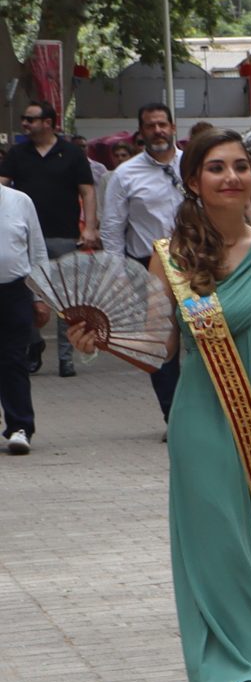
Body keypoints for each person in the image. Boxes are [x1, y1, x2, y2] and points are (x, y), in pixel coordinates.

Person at [70, 129, 251, 682]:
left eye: (241, 166)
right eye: (216, 168)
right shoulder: (170, 258)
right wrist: (101, 341)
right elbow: (159, 348)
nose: (231, 177)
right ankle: (248, 675)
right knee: (219, 544)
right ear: (193, 182)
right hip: (205, 417)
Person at [98, 102, 189, 417]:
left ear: (173, 127)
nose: (158, 131)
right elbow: (112, 228)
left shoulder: (193, 165)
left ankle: (205, 413)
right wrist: (117, 275)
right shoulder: (125, 174)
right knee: (160, 343)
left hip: (194, 262)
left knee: (206, 336)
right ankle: (173, 416)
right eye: (151, 126)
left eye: (162, 124)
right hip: (148, 266)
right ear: (141, 132)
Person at [3, 99, 97, 378]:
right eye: (24, 118)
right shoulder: (17, 154)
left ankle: (66, 359)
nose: (24, 123)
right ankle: (33, 344)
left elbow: (87, 191)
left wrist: (90, 228)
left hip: (64, 236)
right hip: (27, 242)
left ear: (48, 123)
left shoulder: (72, 153)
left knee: (66, 301)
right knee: (27, 297)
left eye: (30, 119)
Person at [0, 178, 50, 452]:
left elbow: (38, 251)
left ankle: (20, 426)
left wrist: (40, 296)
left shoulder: (20, 201)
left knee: (14, 359)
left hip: (15, 290)